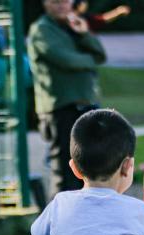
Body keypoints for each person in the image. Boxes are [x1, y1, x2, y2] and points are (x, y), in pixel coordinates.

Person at [27, 0, 107, 194]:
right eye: (56, 1)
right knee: (64, 171)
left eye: (66, 1)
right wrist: (90, 61)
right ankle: (60, 221)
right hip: (60, 109)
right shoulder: (41, 30)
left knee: (86, 171)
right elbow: (67, 61)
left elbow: (100, 54)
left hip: (84, 107)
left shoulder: (72, 26)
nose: (62, 5)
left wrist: (84, 33)